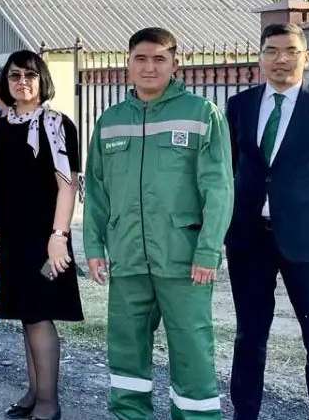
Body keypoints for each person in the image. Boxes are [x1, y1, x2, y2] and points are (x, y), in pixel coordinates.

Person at [83, 27, 233, 420]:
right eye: (141, 59)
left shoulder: (201, 114)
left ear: (175, 64)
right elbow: (96, 190)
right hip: (128, 255)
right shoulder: (110, 121)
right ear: (128, 64)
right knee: (126, 350)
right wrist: (94, 247)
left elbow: (219, 188)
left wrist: (208, 250)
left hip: (183, 259)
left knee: (191, 351)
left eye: (159, 59)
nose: (149, 67)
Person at [225, 23, 309, 420]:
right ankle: (244, 413)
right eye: (271, 50)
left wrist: (298, 205)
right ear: (260, 57)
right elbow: (229, 167)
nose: (280, 59)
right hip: (249, 240)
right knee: (249, 337)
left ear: (306, 57)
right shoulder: (240, 106)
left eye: (290, 51)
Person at [0, 50, 84, 420]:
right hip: (13, 236)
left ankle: (48, 403)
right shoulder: (0, 123)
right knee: (26, 314)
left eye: (30, 75)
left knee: (39, 314)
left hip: (46, 238)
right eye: (14, 75)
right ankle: (34, 391)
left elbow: (68, 185)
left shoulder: (56, 124)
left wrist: (59, 236)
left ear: (42, 80)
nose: (22, 81)